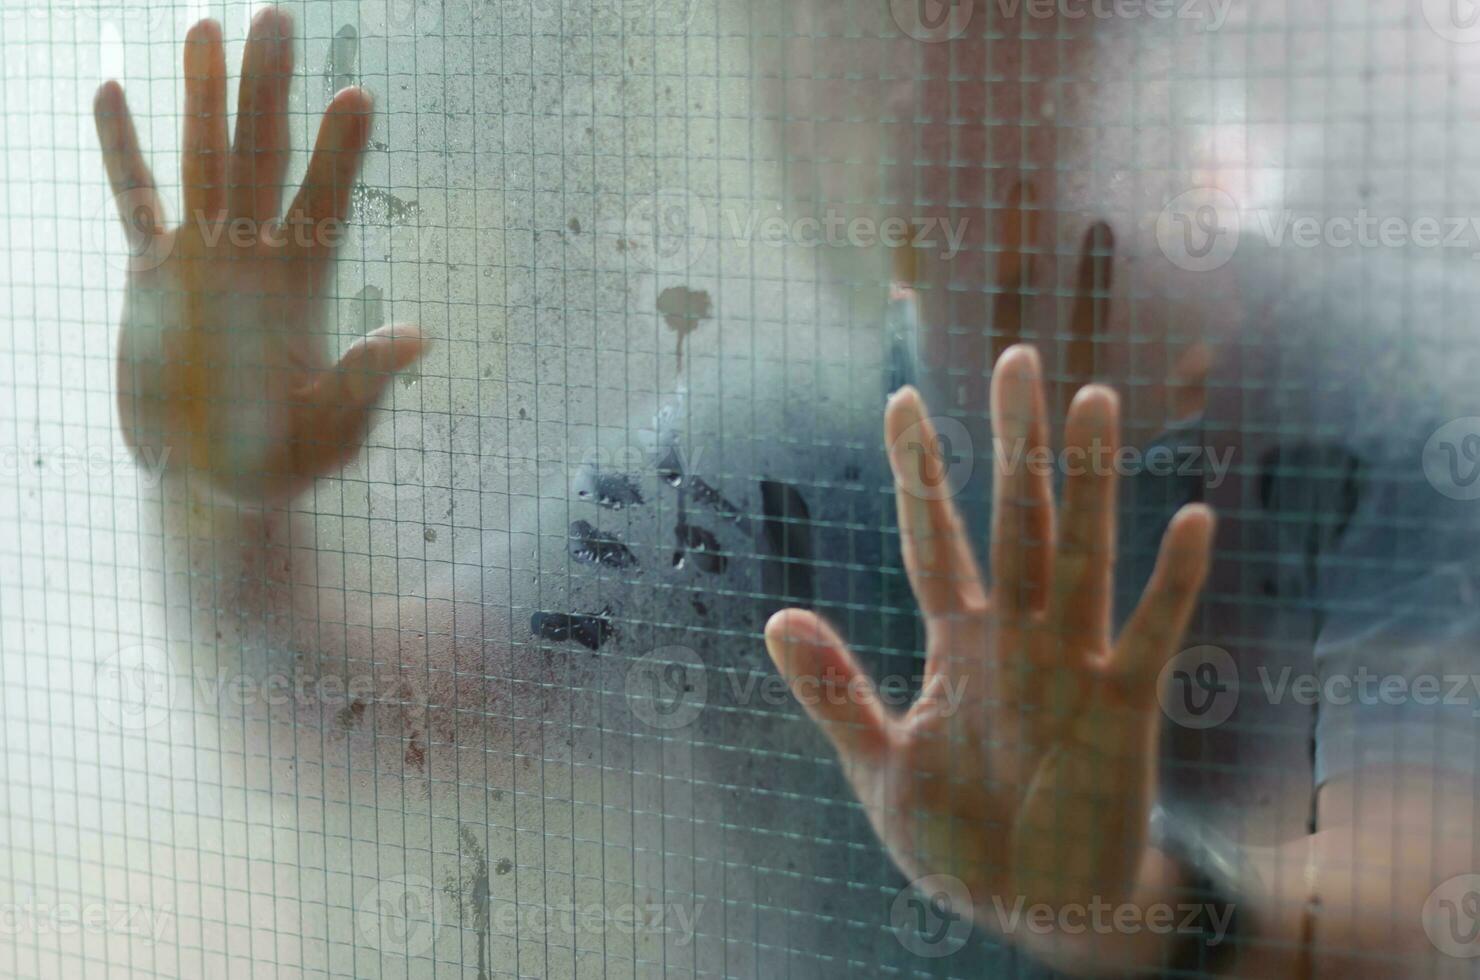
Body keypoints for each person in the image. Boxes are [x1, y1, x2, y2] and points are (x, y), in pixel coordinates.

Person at [93, 5, 1480, 976]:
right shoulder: (768, 465)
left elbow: (1421, 905)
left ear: (1105, 25)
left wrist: (1132, 907)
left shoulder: (1352, 426)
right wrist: (222, 499)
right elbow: (337, 712)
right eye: (801, 18)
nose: (855, 61)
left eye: (949, 9)